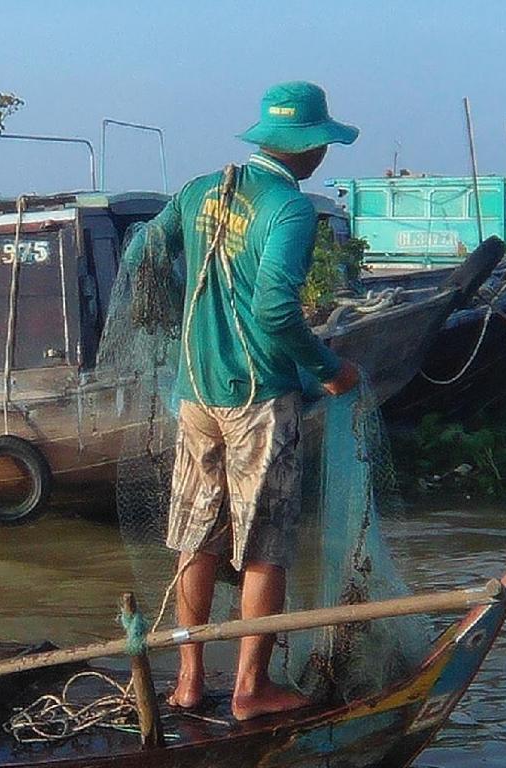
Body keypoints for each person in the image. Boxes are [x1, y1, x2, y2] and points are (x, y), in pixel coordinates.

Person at [144, 80, 362, 721]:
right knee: (265, 544)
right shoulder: (290, 211)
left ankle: (187, 681)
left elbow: (148, 251)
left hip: (194, 391)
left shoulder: (199, 190)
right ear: (312, 146)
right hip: (256, 397)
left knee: (196, 537)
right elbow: (274, 310)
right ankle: (249, 689)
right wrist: (326, 365)